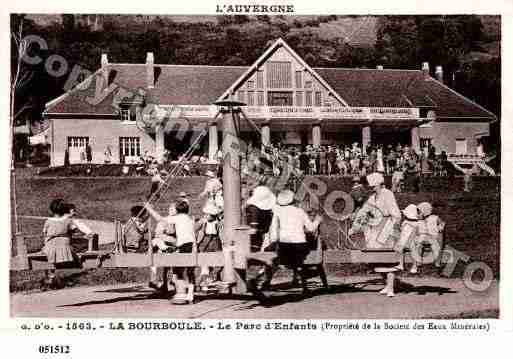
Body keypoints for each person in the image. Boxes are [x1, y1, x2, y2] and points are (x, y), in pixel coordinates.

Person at [266, 189, 322, 295]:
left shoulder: (277, 211)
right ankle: (304, 285)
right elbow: (310, 229)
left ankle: (267, 281)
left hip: (284, 246)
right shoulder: (300, 211)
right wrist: (317, 221)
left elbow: (273, 230)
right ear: (292, 200)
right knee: (299, 260)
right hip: (300, 246)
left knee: (275, 259)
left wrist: (273, 242)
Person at [40, 199, 94, 290]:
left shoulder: (48, 221)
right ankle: (62, 278)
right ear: (65, 210)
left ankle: (54, 277)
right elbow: (75, 232)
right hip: (64, 247)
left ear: (51, 210)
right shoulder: (68, 221)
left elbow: (44, 234)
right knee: (78, 263)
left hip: (49, 248)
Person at [357, 172, 401, 249]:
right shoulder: (373, 197)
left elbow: (395, 212)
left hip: (386, 225)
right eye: (371, 186)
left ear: (378, 184)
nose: (371, 188)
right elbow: (365, 209)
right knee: (372, 246)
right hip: (375, 225)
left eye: (373, 186)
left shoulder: (387, 194)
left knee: (384, 247)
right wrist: (358, 215)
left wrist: (395, 225)